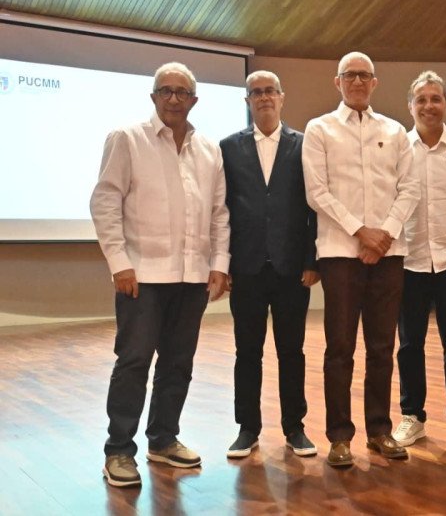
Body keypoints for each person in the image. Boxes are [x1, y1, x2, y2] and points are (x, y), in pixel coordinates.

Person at [90, 62, 230, 488]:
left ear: (194, 100)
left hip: (193, 276)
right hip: (142, 275)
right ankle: (119, 450)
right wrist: (119, 262)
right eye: (165, 91)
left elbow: (219, 213)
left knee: (178, 363)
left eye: (181, 92)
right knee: (134, 362)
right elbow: (105, 201)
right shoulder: (127, 139)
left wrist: (219, 264)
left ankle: (163, 439)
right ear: (153, 97)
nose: (173, 98)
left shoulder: (209, 150)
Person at [301, 51, 420, 467]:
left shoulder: (395, 130)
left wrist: (383, 234)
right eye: (349, 75)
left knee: (383, 347)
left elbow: (410, 189)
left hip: (389, 253)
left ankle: (380, 430)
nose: (356, 81)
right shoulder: (319, 129)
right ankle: (339, 437)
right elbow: (317, 192)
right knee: (340, 347)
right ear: (337, 82)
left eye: (364, 75)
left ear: (374, 82)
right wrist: (361, 232)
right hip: (340, 253)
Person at [219, 70, 319, 459]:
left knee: (292, 352)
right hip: (245, 269)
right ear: (247, 101)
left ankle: (295, 428)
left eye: (269, 91)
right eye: (255, 92)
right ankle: (247, 428)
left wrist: (311, 260)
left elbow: (313, 207)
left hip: (292, 269)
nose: (263, 97)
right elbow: (222, 208)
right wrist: (224, 262)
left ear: (281, 97)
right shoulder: (228, 147)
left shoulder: (305, 145)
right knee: (247, 352)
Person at [392, 71, 446, 449]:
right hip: (408, 262)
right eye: (421, 99)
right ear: (410, 106)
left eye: (435, 99)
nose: (428, 106)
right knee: (409, 344)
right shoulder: (397, 148)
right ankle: (412, 416)